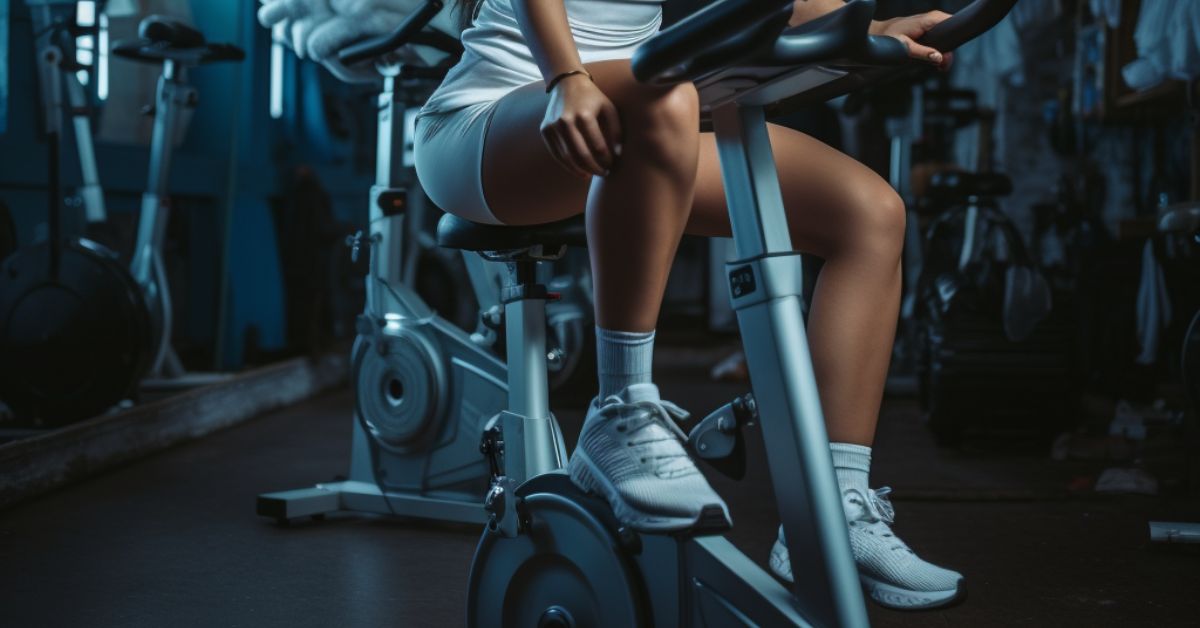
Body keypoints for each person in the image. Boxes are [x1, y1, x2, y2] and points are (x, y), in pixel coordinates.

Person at [264, 0, 964, 611]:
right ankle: (621, 411)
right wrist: (566, 76)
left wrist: (872, 29)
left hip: (637, 121)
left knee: (869, 212)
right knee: (665, 94)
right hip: (492, 122)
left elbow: (794, 6)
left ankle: (832, 507)